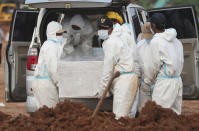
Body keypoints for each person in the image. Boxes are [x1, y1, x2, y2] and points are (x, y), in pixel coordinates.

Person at [96, 16, 139, 119]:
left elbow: (108, 69)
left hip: (125, 80)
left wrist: (102, 90)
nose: (102, 30)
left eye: (105, 28)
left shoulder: (112, 43)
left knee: (120, 117)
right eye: (100, 28)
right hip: (125, 79)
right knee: (125, 116)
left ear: (111, 29)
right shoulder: (113, 40)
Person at [146, 13, 184, 115]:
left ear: (153, 25)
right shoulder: (176, 40)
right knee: (175, 114)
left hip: (165, 82)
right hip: (177, 80)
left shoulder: (156, 41)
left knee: (158, 114)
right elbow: (181, 60)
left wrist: (148, 81)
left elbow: (153, 66)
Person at [107, 11, 140, 117]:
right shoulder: (127, 33)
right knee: (129, 110)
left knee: (122, 113)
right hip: (130, 74)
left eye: (112, 21)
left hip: (125, 77)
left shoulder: (119, 36)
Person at [33, 21, 66, 109]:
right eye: (59, 33)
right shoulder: (51, 46)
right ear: (53, 33)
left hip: (44, 83)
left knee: (44, 113)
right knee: (50, 112)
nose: (61, 36)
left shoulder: (51, 44)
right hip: (45, 84)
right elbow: (53, 69)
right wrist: (60, 84)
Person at [136, 22, 154, 111]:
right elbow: (138, 62)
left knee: (158, 108)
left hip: (158, 81)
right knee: (144, 109)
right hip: (145, 81)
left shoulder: (159, 43)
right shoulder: (140, 45)